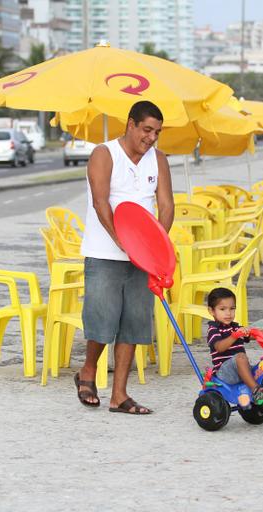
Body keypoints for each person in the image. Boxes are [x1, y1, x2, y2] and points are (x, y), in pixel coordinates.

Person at [75, 100, 174, 415]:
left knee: (133, 324)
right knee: (102, 320)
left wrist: (155, 246)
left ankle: (119, 395)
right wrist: (122, 241)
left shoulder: (158, 160)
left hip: (142, 258)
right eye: (146, 129)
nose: (151, 137)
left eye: (157, 132)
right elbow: (101, 202)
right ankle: (88, 371)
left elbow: (167, 205)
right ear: (130, 125)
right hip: (105, 252)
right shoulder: (104, 154)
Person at [206, 288, 263, 409]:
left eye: (232, 309)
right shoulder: (214, 330)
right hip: (225, 373)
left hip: (241, 368)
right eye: (222, 309)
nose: (228, 313)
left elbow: (254, 334)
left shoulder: (236, 327)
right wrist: (235, 335)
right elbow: (219, 347)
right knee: (240, 357)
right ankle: (256, 391)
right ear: (211, 311)